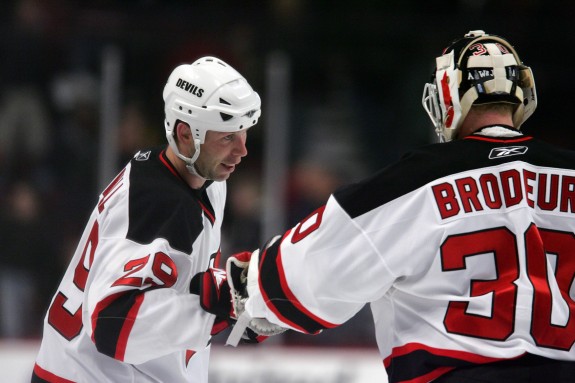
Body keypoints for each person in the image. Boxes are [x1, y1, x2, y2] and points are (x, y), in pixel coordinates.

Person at [217, 31, 575, 382]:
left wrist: (252, 290)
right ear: (524, 91)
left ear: (447, 95)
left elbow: (298, 277)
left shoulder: (416, 181)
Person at [32, 56, 261, 383]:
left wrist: (235, 314)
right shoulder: (161, 204)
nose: (242, 151)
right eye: (227, 138)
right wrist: (227, 306)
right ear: (185, 134)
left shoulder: (195, 180)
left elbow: (176, 295)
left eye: (244, 133)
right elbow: (114, 324)